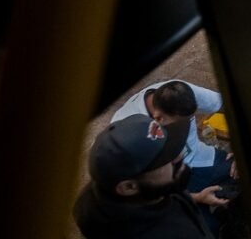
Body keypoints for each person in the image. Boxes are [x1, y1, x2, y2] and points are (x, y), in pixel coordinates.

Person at [74, 114, 228, 239]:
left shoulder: (103, 193)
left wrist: (196, 197)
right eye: (165, 159)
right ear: (129, 187)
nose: (179, 156)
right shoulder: (171, 232)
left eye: (171, 146)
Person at [112, 80, 237, 235]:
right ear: (158, 118)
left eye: (189, 120)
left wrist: (241, 149)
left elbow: (229, 105)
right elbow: (145, 197)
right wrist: (196, 198)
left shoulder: (180, 92)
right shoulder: (126, 135)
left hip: (202, 158)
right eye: (179, 125)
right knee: (205, 228)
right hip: (170, 182)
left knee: (247, 173)